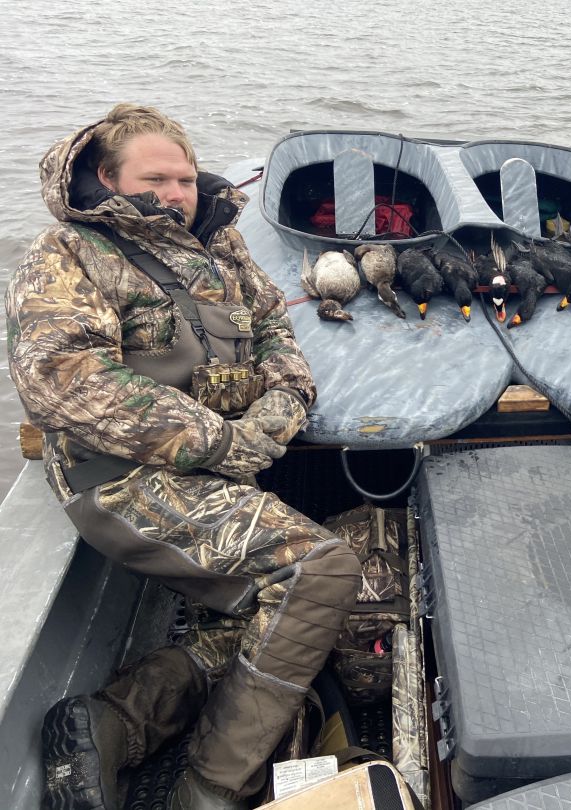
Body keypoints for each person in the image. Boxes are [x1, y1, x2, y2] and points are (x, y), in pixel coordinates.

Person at [7, 105, 363, 810]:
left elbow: (275, 333)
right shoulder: (66, 256)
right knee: (320, 570)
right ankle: (208, 789)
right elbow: (66, 381)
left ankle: (111, 724)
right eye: (154, 178)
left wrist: (279, 408)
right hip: (125, 481)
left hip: (216, 475)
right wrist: (222, 440)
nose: (175, 193)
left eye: (183, 179)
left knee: (261, 627)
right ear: (106, 178)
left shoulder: (220, 248)